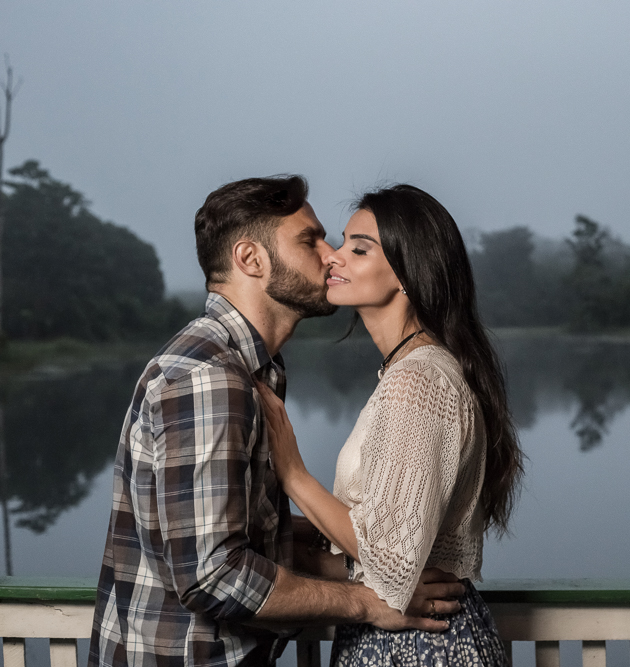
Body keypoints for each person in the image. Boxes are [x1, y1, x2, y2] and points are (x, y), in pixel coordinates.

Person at [89, 176, 465, 667]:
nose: (330, 254)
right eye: (310, 240)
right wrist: (368, 602)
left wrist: (364, 552)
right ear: (251, 259)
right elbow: (213, 575)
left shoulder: (256, 370)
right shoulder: (210, 379)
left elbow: (235, 527)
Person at [257, 183, 524, 667]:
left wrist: (293, 474)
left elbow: (392, 562)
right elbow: (379, 533)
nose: (333, 258)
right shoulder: (413, 372)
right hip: (412, 638)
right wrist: (277, 531)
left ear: (407, 272)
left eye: (359, 249)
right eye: (341, 243)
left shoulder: (417, 382)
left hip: (420, 645)